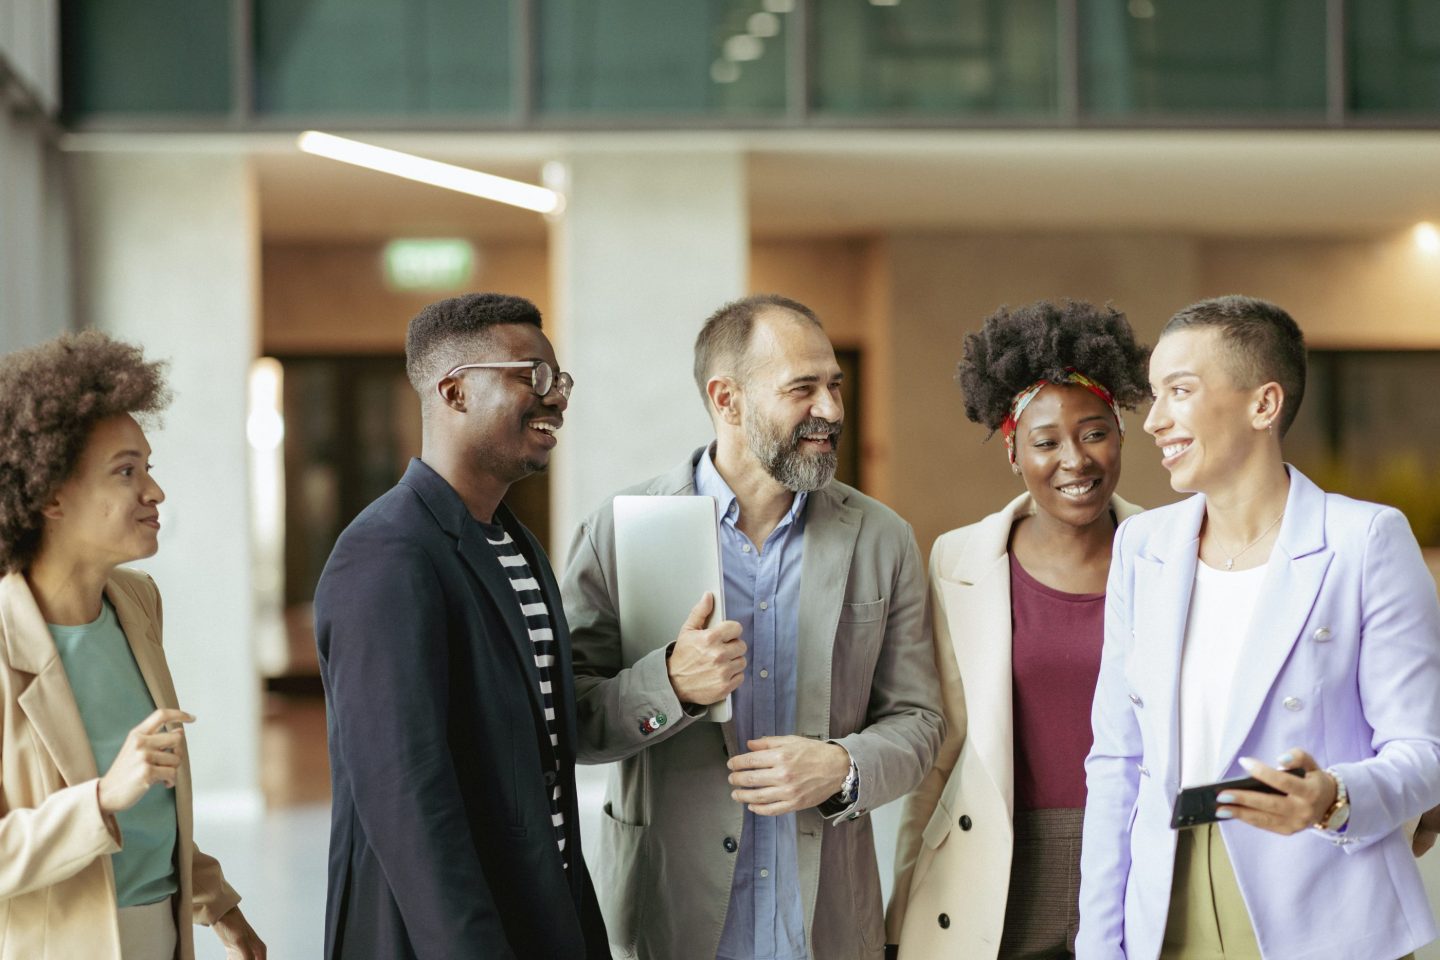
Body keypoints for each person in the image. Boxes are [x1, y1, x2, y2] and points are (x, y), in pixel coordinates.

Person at [562, 293, 945, 960]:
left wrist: (842, 767)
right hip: (671, 922)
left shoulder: (882, 540)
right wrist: (670, 686)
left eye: (834, 385)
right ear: (727, 399)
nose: (831, 410)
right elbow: (567, 719)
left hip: (825, 926)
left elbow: (919, 720)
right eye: (803, 389)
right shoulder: (619, 530)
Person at [1077, 295, 1440, 960]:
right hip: (1168, 905)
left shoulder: (1365, 541)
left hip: (1327, 902)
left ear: (1263, 405)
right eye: (1153, 396)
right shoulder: (1142, 547)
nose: (1154, 421)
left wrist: (1333, 797)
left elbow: (1425, 752)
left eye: (1179, 391)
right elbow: (1118, 760)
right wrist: (1100, 943)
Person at [315, 293, 608, 959]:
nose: (555, 397)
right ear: (453, 393)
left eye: (558, 380)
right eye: (530, 376)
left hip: (538, 914)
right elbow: (408, 801)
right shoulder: (387, 554)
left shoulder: (514, 543)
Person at [887, 300, 1150, 959]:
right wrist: (901, 906)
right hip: (996, 864)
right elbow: (942, 746)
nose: (1075, 460)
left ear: (1120, 433)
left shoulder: (1172, 554)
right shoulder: (959, 560)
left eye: (1094, 432)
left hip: (1136, 854)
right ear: (1012, 450)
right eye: (1045, 441)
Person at [0, 331, 264, 960]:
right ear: (50, 495)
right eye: (126, 471)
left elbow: (155, 806)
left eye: (149, 467)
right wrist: (101, 797)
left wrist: (218, 906)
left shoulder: (137, 603)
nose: (155, 493)